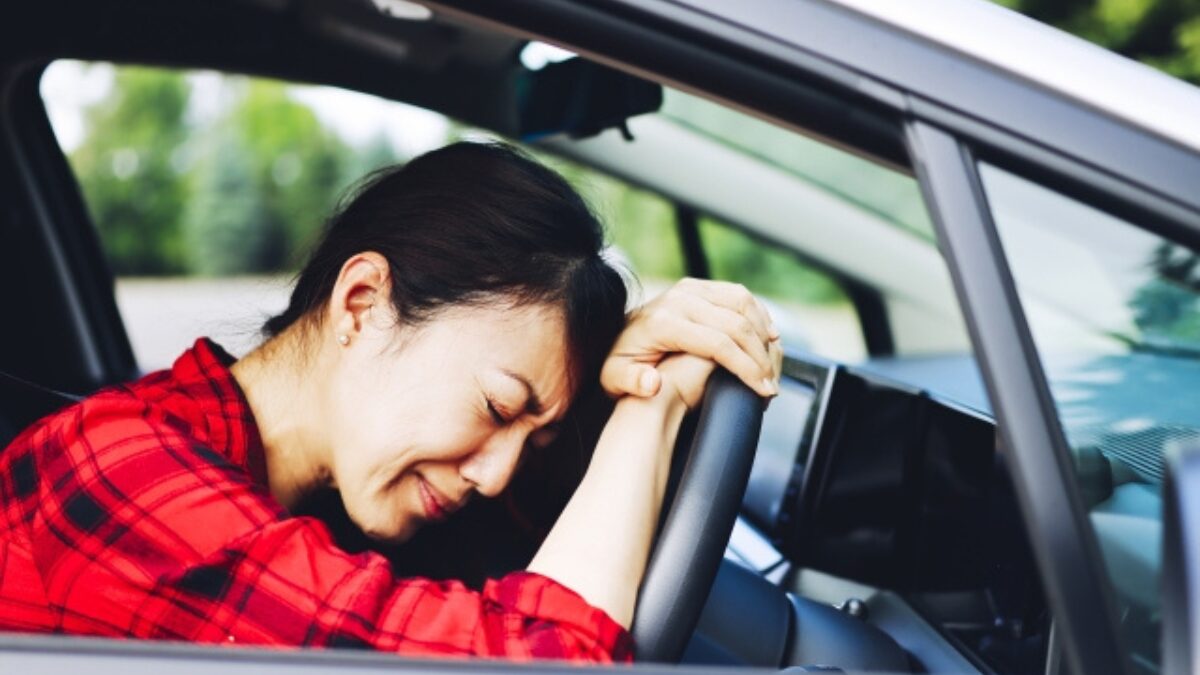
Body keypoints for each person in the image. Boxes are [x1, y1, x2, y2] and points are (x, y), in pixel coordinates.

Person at [0, 142, 782, 662]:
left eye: (530, 440)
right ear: (363, 302)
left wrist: (626, 380)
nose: (496, 475)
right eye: (498, 408)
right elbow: (546, 663)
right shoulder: (114, 470)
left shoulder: (337, 489)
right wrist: (653, 405)